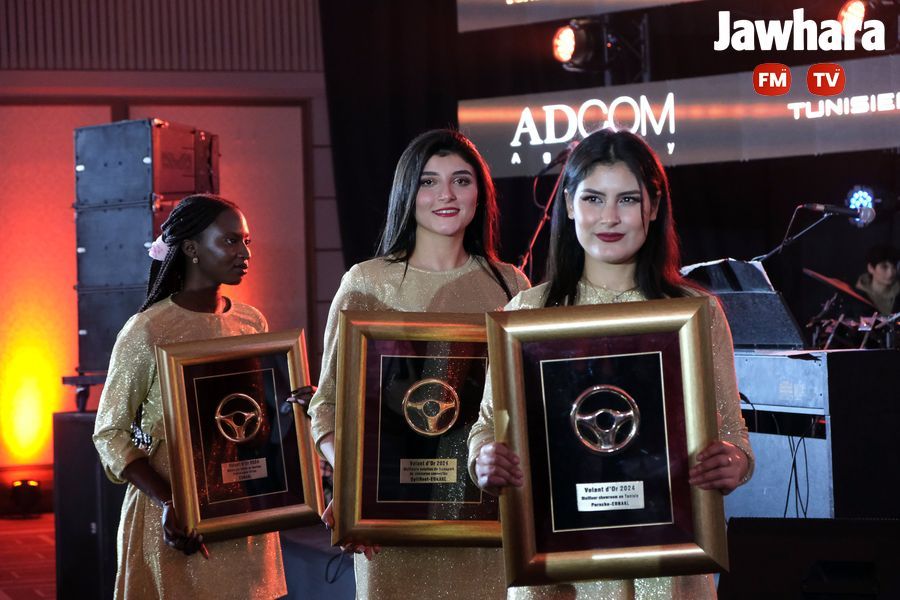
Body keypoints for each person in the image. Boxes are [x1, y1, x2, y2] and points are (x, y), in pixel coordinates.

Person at [468, 129, 754, 599]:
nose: (609, 217)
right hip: (558, 570)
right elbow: (487, 427)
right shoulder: (528, 313)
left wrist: (734, 462)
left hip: (665, 566)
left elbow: (731, 433)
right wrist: (485, 459)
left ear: (654, 206)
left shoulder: (693, 312)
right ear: (568, 204)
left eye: (628, 199)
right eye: (594, 198)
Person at [306, 129, 530, 598]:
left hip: (485, 521)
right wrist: (355, 487)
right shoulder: (366, 283)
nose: (446, 195)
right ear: (407, 192)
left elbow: (524, 405)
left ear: (480, 194)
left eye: (461, 181)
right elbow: (325, 408)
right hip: (391, 527)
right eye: (429, 182)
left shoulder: (511, 286)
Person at [93, 194, 287, 599]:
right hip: (173, 518)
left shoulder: (251, 323)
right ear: (191, 248)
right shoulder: (148, 330)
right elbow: (109, 433)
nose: (245, 253)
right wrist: (171, 501)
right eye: (231, 241)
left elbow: (256, 421)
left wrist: (295, 407)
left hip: (240, 510)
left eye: (246, 241)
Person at [855, 243, 899, 315]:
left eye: (894, 267)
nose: (890, 273)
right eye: (884, 267)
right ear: (871, 268)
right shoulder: (855, 296)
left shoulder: (898, 296)